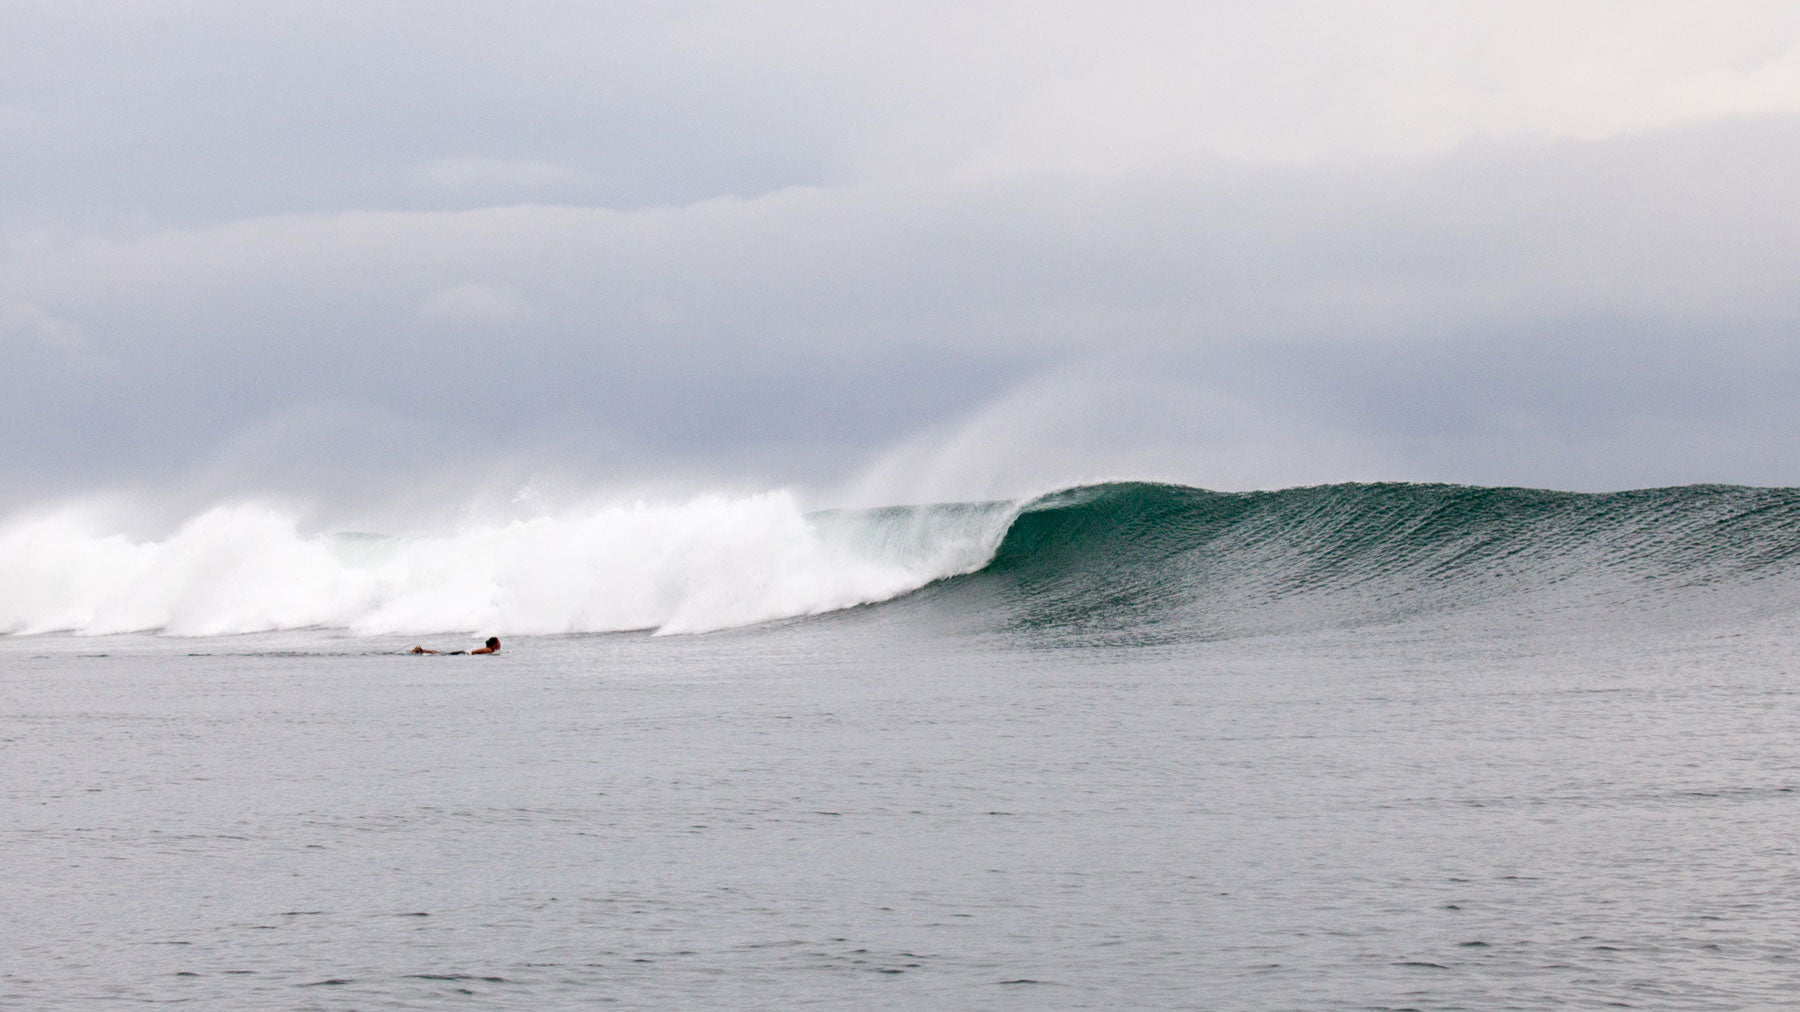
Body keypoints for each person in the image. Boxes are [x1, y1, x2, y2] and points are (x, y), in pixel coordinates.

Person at [407, 637, 501, 655]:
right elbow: (473, 652)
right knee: (440, 654)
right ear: (494, 644)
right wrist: (468, 654)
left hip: (463, 653)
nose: (500, 644)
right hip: (464, 654)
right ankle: (420, 650)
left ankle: (421, 650)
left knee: (440, 653)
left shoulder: (489, 650)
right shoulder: (488, 650)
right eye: (498, 642)